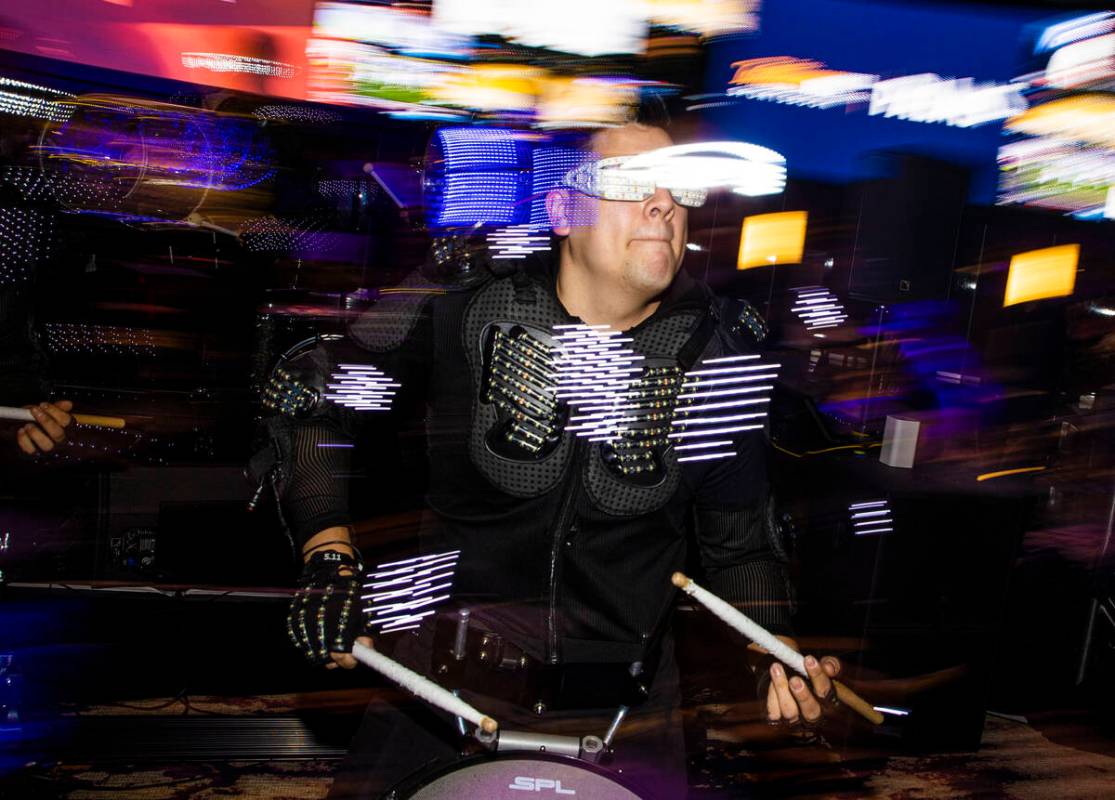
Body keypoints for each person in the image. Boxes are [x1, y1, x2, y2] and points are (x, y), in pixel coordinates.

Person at [257, 122, 842, 799]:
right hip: (437, 698)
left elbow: (740, 544)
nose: (663, 204)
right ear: (563, 211)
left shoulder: (719, 358)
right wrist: (329, 557)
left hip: (627, 715)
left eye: (679, 186)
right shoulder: (463, 306)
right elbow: (310, 389)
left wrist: (773, 651)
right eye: (628, 183)